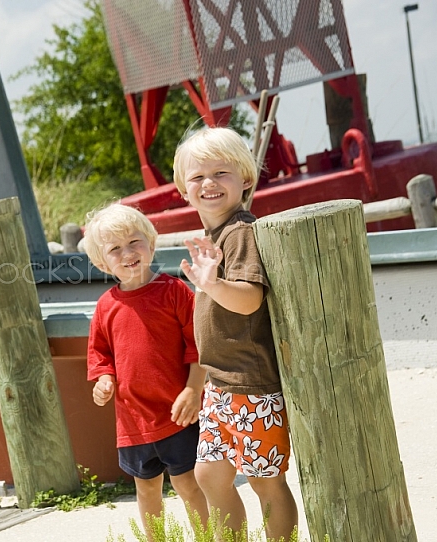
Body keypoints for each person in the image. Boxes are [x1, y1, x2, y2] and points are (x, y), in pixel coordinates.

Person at [173, 126, 298, 540]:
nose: (208, 183)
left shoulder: (240, 231)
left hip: (251, 384)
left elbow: (249, 300)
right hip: (220, 384)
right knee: (209, 475)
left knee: (266, 482)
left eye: (221, 173)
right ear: (183, 189)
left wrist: (213, 286)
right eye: (197, 177)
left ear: (245, 179)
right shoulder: (216, 235)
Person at [84, 202, 208, 541]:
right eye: (115, 249)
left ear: (151, 244)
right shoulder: (106, 306)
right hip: (134, 420)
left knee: (188, 485)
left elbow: (197, 345)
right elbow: (100, 354)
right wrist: (104, 380)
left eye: (134, 242)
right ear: (100, 262)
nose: (128, 253)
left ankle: (207, 538)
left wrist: (193, 389)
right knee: (147, 491)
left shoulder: (175, 292)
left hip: (178, 412)